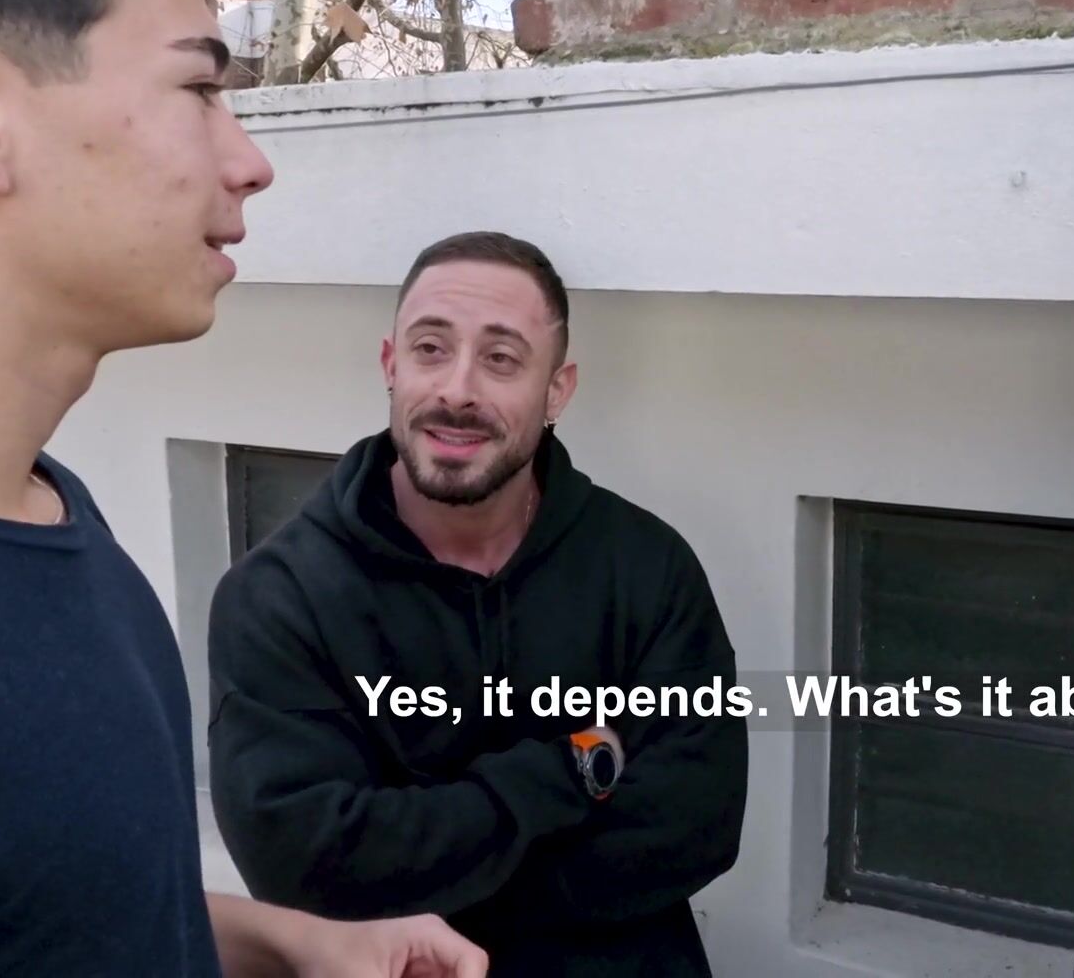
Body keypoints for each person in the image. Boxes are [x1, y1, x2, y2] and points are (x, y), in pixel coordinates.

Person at [0, 0, 487, 975]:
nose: (250, 162)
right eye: (199, 88)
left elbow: (43, 906)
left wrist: (290, 945)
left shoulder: (40, 514)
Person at [206, 231, 749, 976]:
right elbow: (304, 863)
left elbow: (698, 821)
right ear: (391, 365)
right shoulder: (280, 596)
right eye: (430, 349)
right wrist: (573, 767)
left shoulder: (646, 566)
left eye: (501, 359)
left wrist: (426, 855)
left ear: (557, 391)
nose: (458, 390)